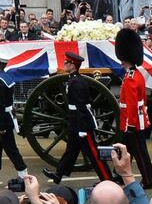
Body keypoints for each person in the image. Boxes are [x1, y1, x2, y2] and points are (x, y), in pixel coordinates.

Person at [42, 52, 112, 184]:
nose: (64, 65)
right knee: (71, 151)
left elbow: (82, 107)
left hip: (82, 124)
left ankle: (107, 179)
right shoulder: (75, 80)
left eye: (66, 63)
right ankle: (59, 174)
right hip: (76, 122)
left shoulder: (76, 82)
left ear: (73, 66)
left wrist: (82, 128)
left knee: (94, 154)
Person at [115, 28, 152, 189]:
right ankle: (119, 174)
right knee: (125, 149)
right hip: (133, 119)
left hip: (132, 121)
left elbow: (132, 104)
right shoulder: (135, 74)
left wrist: (130, 124)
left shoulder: (132, 77)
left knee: (139, 152)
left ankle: (148, 179)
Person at [0, 52, 27, 180]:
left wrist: (0, 126)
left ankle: (23, 173)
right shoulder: (5, 78)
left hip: (2, 119)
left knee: (10, 148)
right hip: (5, 117)